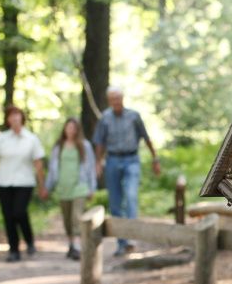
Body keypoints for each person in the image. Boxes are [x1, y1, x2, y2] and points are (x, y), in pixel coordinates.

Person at [92, 86, 161, 255]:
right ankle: (121, 243)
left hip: (132, 159)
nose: (116, 101)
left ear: (122, 98)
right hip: (113, 160)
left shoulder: (134, 116)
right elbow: (100, 143)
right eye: (112, 99)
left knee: (131, 196)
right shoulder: (105, 118)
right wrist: (98, 162)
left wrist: (155, 159)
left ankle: (131, 237)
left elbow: (146, 138)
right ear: (109, 100)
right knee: (115, 202)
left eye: (118, 98)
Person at [0, 106, 46, 262]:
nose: (15, 118)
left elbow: (38, 164)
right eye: (11, 116)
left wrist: (42, 186)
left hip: (24, 182)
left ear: (22, 118)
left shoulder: (31, 139)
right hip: (4, 183)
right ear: (8, 119)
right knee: (8, 217)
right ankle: (14, 249)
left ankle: (29, 240)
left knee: (19, 212)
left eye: (17, 115)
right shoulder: (2, 139)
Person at [45, 117, 96, 260]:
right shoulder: (58, 147)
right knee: (67, 220)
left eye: (74, 128)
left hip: (79, 187)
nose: (71, 130)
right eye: (68, 127)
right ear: (64, 129)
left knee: (76, 217)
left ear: (77, 129)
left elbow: (91, 167)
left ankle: (78, 247)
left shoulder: (84, 146)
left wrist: (92, 187)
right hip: (63, 188)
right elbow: (52, 169)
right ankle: (71, 245)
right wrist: (47, 188)